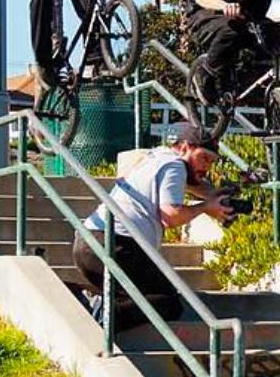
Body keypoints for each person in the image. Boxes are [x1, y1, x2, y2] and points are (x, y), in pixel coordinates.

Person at [73, 123, 230, 331]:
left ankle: (86, 300)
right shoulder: (175, 166)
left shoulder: (158, 156)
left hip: (89, 243)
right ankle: (99, 314)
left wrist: (217, 195)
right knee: (167, 302)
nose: (207, 166)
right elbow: (170, 215)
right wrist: (205, 207)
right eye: (203, 158)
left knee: (137, 296)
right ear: (185, 147)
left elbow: (192, 185)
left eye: (211, 161)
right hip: (116, 245)